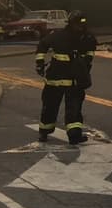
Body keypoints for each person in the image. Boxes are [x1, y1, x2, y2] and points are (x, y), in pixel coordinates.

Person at [35, 10, 98, 145]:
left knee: (74, 109)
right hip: (57, 79)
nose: (80, 28)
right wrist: (39, 63)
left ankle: (74, 136)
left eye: (82, 25)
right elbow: (42, 45)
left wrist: (84, 65)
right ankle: (44, 132)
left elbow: (90, 55)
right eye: (78, 24)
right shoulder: (59, 35)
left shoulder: (87, 38)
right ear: (71, 24)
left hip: (73, 80)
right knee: (50, 106)